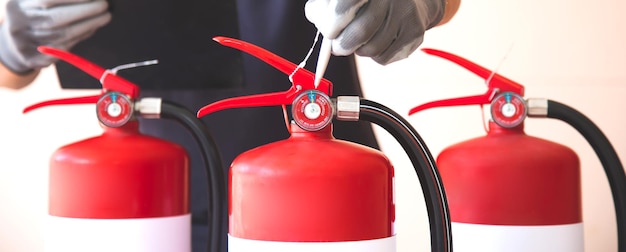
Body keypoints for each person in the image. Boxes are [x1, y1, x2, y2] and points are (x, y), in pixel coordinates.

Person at [0, 0, 460, 251]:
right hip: (149, 205)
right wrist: (13, 42)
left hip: (327, 206)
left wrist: (421, 5)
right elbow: (9, 75)